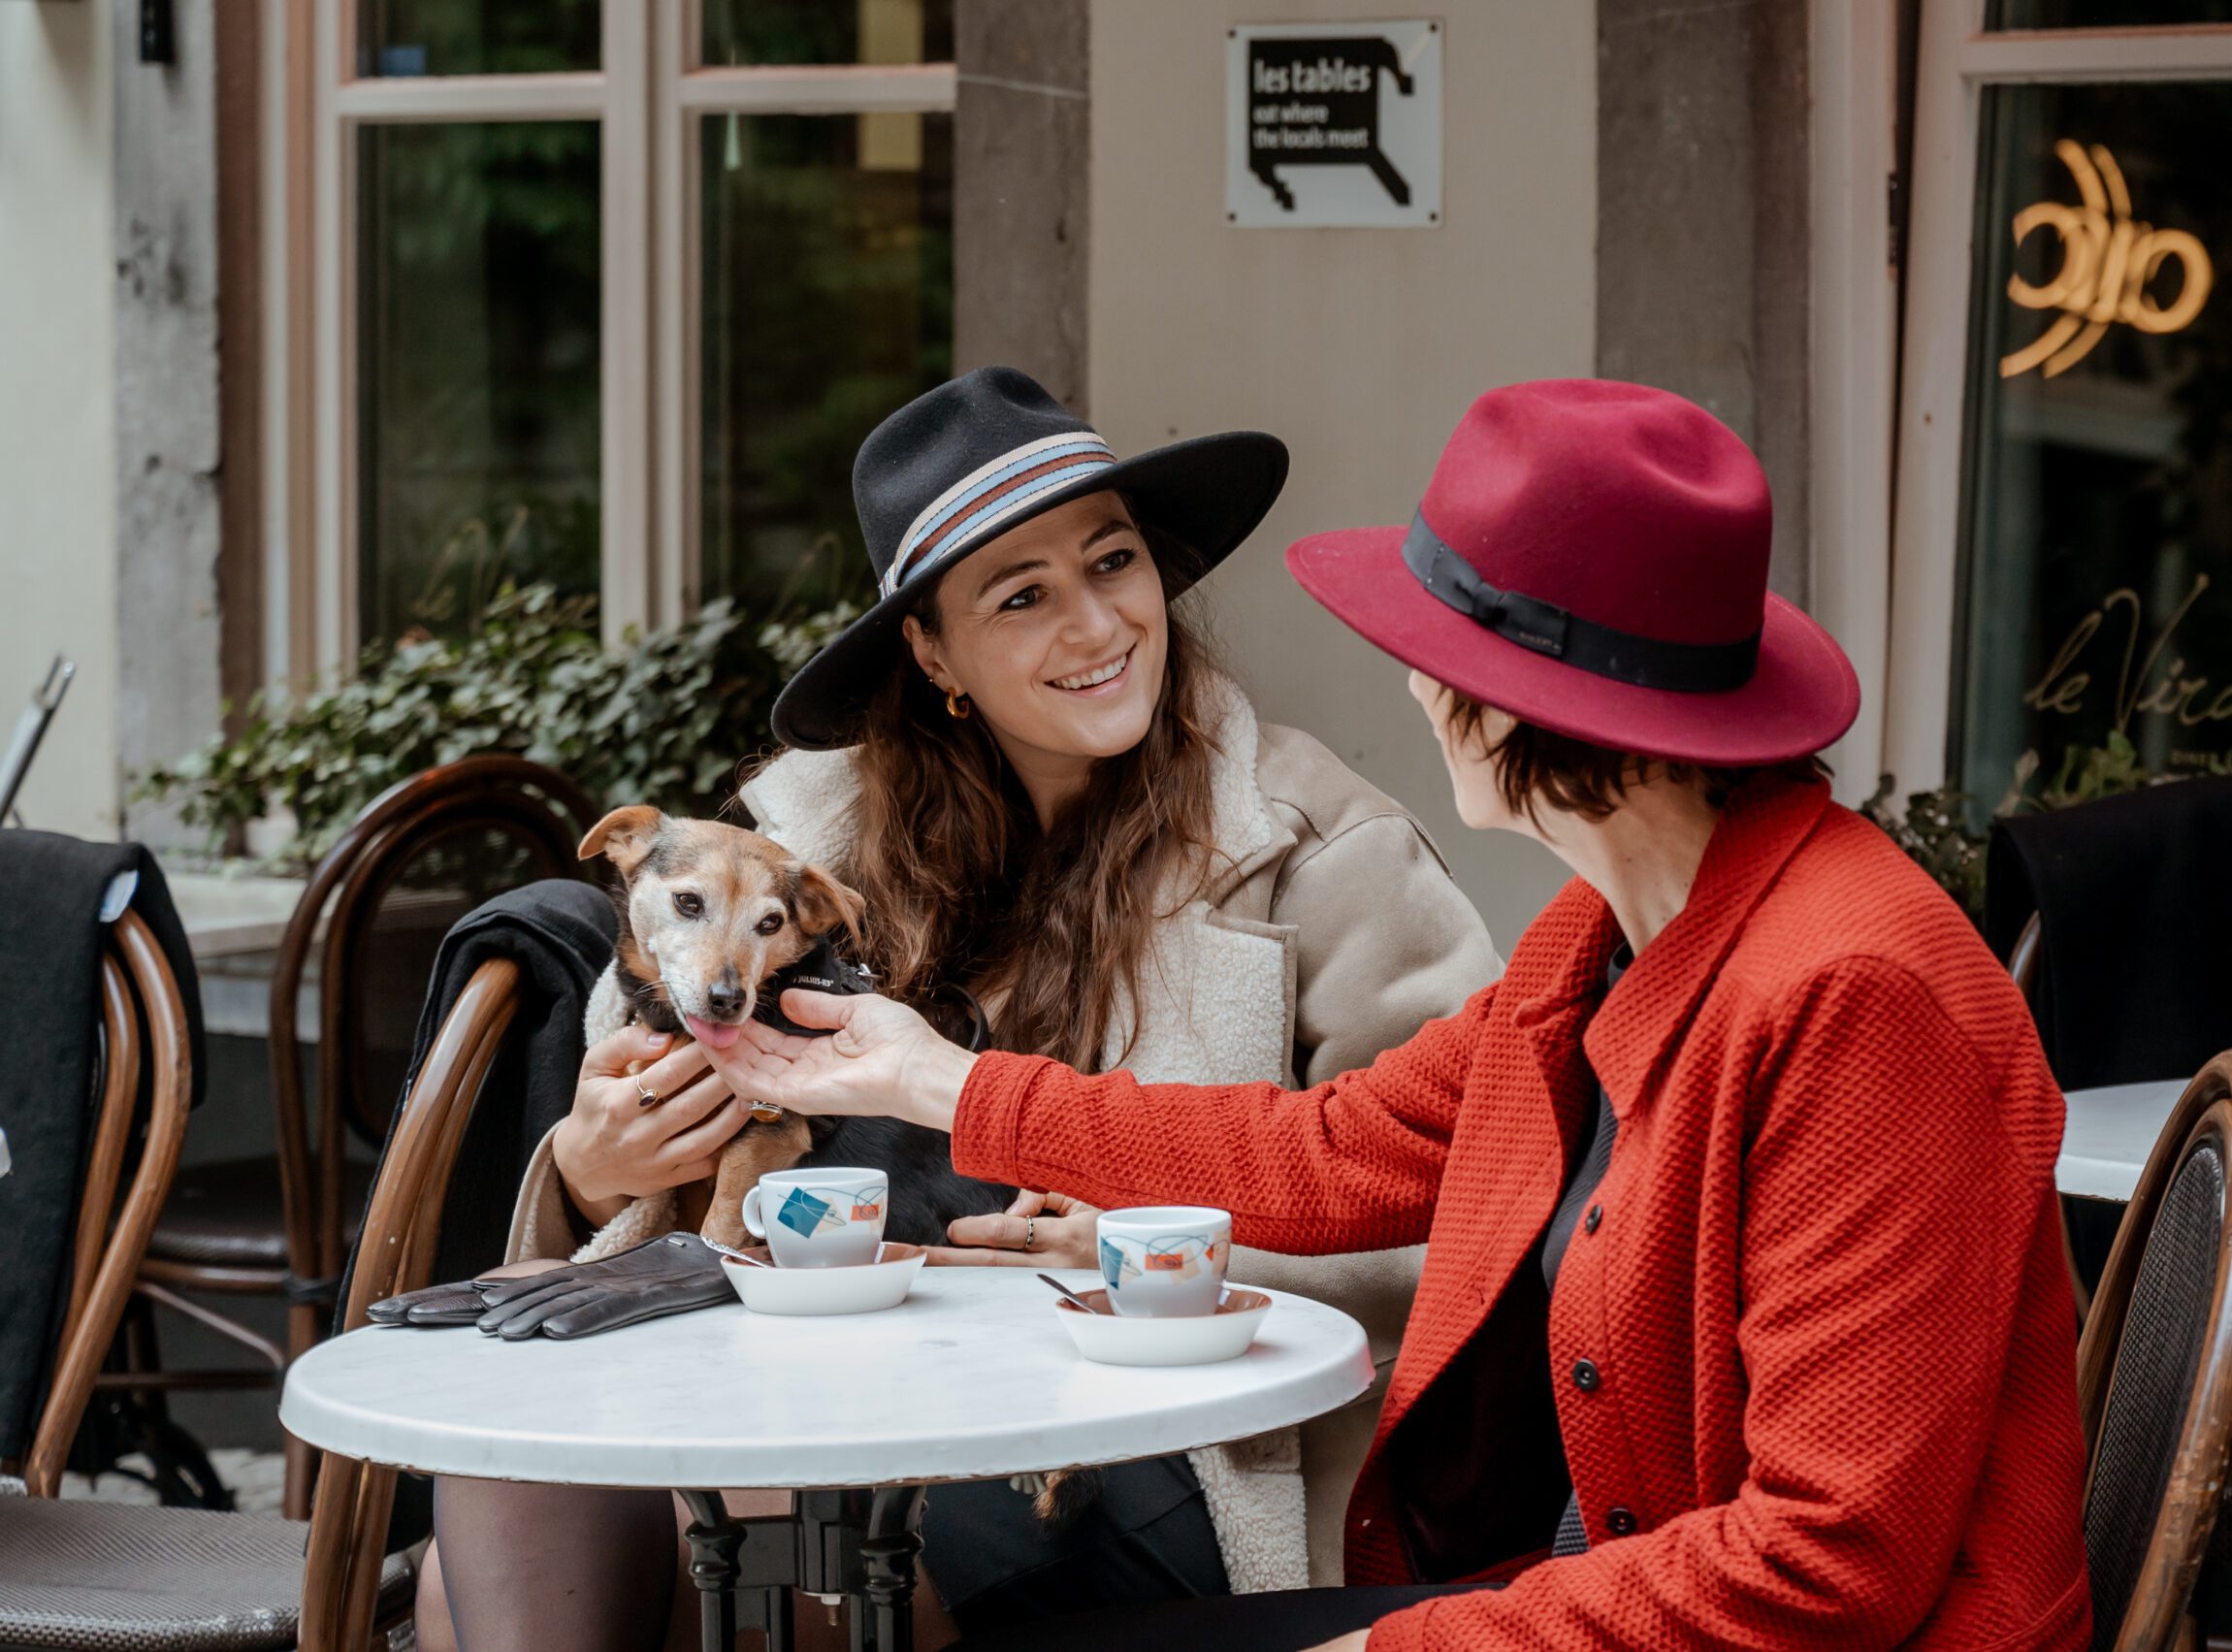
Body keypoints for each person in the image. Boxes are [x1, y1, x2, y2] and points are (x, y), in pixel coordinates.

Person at [712, 379, 2095, 1652]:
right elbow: (1327, 1151)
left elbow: (1831, 1565)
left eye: (1429, 648)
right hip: (1620, 1596)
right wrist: (938, 1082)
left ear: (1520, 704)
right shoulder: (1603, 937)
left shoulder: (1857, 993)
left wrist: (1390, 1650)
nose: (1414, 687)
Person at [413, 369, 1501, 1652]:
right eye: (1022, 596)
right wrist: (593, 1172)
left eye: (1114, 562)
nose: (1097, 624)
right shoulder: (801, 843)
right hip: (825, 1362)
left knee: (719, 1551)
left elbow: (1472, 1207)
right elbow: (642, 1102)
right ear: (931, 652)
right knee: (521, 1448)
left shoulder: (1323, 855)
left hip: (1145, 1429)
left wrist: (1142, 1261)